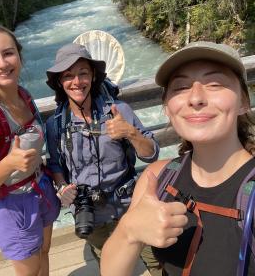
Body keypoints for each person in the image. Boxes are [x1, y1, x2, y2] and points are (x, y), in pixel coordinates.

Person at [100, 41, 255, 276]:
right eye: (180, 87)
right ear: (167, 108)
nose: (195, 98)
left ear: (244, 101)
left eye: (214, 84)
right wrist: (128, 232)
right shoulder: (158, 179)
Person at [45, 43, 160, 269]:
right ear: (60, 81)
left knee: (155, 261)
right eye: (68, 76)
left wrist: (130, 132)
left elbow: (152, 154)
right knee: (110, 264)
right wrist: (62, 188)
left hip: (130, 204)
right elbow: (56, 164)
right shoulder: (55, 125)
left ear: (93, 76)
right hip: (89, 212)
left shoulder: (119, 111)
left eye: (83, 73)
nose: (77, 82)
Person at [0, 23, 60, 276]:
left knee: (44, 253)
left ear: (18, 55)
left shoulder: (24, 95)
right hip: (13, 205)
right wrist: (9, 164)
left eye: (8, 53)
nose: (2, 63)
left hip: (41, 189)